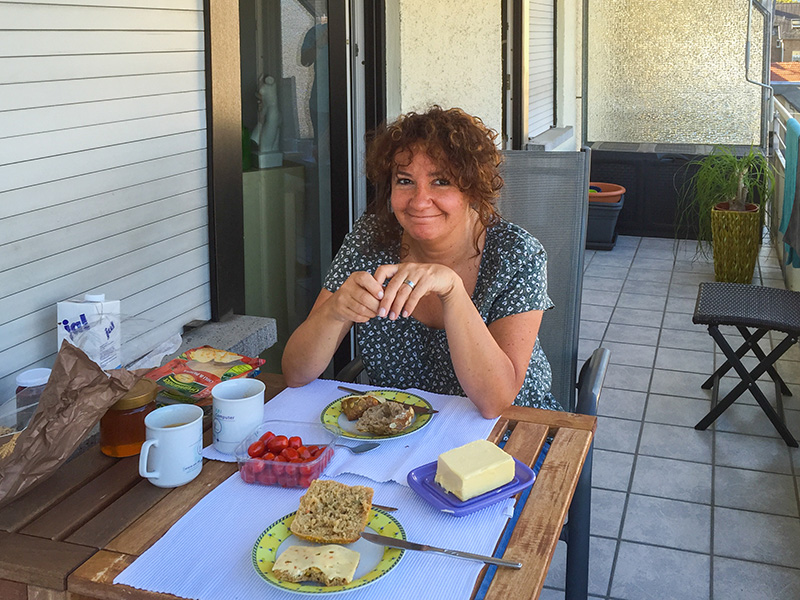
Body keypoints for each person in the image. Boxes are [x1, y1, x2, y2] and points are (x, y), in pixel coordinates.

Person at [281, 106, 559, 418]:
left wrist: (452, 292)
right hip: (402, 430)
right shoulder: (371, 240)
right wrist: (333, 313)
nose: (419, 200)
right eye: (404, 181)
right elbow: (295, 373)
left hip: (514, 430)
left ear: (473, 189)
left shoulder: (516, 254)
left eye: (441, 181)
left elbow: (496, 402)